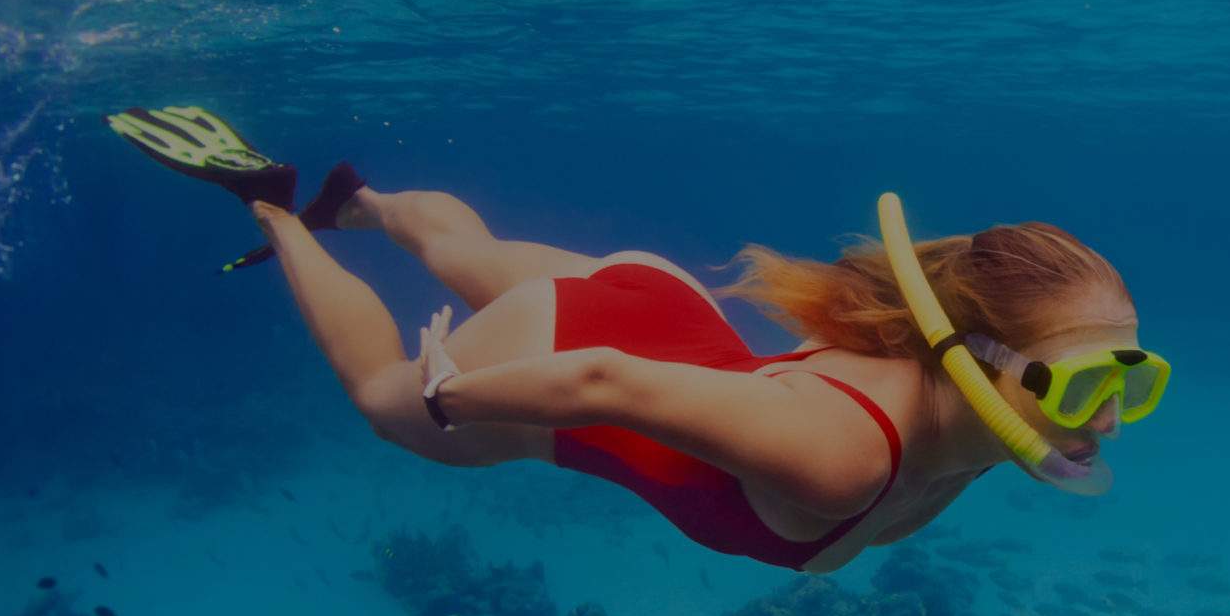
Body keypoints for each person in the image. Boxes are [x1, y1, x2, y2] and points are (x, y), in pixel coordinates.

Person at [105, 107, 1169, 573]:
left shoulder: (975, 418)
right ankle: (277, 205)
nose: (1113, 414)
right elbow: (608, 381)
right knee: (380, 397)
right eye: (1083, 385)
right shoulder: (848, 455)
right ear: (973, 356)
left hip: (657, 309)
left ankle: (366, 201)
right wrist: (452, 396)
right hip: (591, 353)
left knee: (470, 252)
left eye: (1135, 376)